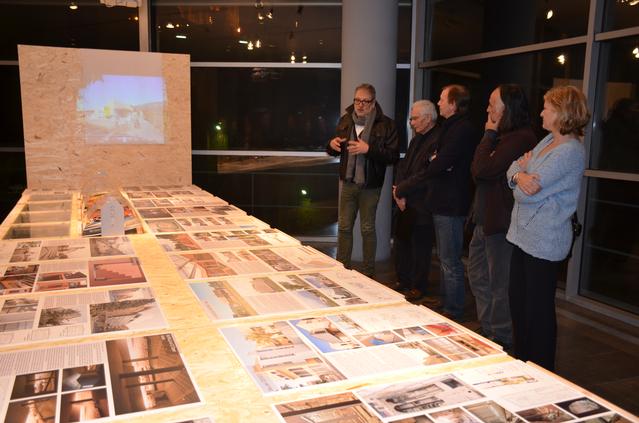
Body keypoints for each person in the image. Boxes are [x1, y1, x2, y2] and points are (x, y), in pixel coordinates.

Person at [506, 85, 590, 371]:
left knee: (538, 313)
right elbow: (513, 169)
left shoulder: (570, 152)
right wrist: (520, 175)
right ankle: (522, 363)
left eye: (547, 108)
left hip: (545, 243)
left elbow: (525, 195)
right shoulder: (547, 141)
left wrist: (520, 177)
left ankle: (541, 370)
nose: (541, 113)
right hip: (523, 237)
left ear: (562, 113)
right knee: (519, 306)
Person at [467, 84, 537, 349]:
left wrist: (488, 134)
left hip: (501, 223)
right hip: (484, 219)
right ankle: (488, 329)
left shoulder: (519, 138)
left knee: (499, 283)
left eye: (492, 103)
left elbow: (482, 170)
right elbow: (479, 171)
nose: (488, 109)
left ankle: (501, 336)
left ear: (507, 108)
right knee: (477, 276)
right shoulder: (504, 137)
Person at [399, 84, 477, 319]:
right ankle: (447, 304)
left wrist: (437, 162)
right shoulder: (450, 128)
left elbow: (438, 164)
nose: (439, 103)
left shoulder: (461, 129)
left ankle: (453, 310)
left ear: (453, 104)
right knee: (445, 259)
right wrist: (437, 162)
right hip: (442, 201)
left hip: (450, 204)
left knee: (449, 261)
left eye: (442, 99)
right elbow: (436, 162)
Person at [327, 83, 399, 277]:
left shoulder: (386, 124)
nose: (359, 105)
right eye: (357, 100)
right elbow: (336, 149)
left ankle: (368, 273)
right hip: (348, 182)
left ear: (373, 102)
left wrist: (369, 150)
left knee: (367, 229)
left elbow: (392, 156)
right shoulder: (346, 120)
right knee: (344, 227)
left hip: (370, 185)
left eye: (365, 101)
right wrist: (331, 145)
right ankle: (342, 270)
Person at [392, 100, 439, 301]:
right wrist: (398, 191)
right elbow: (403, 167)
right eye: (411, 118)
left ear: (428, 118)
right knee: (402, 243)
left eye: (415, 118)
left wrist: (402, 190)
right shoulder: (416, 140)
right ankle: (403, 280)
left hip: (422, 202)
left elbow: (426, 174)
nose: (411, 122)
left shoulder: (437, 140)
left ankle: (418, 286)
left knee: (420, 248)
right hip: (405, 200)